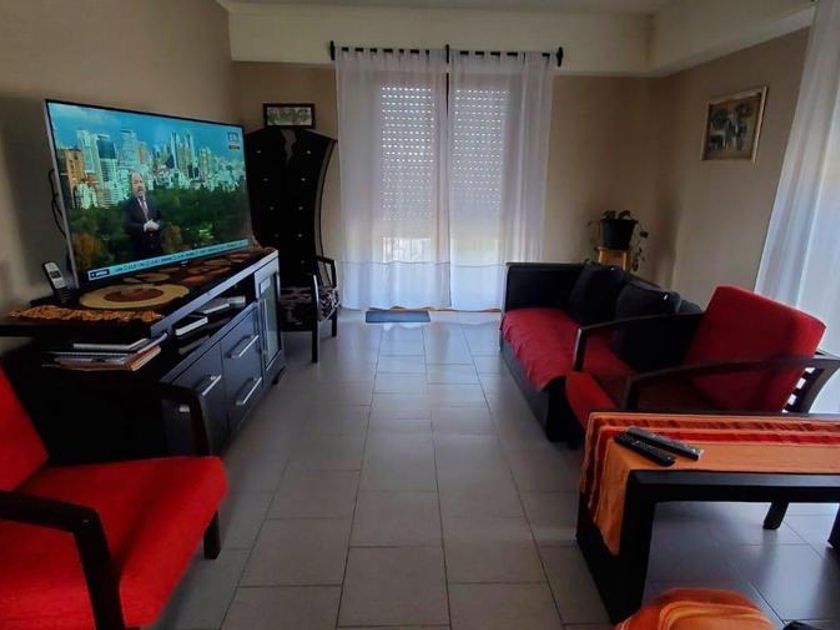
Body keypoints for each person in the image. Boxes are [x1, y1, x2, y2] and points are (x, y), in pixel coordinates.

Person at [123, 172, 164, 259]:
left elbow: (162, 219)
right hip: (140, 255)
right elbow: (127, 226)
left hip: (158, 251)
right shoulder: (128, 205)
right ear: (131, 188)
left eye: (141, 182)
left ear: (145, 184)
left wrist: (157, 225)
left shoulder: (153, 201)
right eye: (135, 183)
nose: (139, 185)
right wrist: (144, 227)